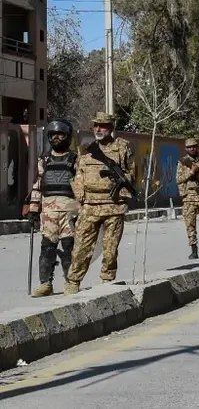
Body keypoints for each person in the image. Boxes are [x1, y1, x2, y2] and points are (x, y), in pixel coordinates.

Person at [65, 112, 136, 294]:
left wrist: (122, 179)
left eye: (102, 126)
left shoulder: (123, 147)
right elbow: (79, 174)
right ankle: (73, 282)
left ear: (111, 128)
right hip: (90, 206)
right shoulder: (86, 149)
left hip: (114, 205)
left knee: (110, 249)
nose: (98, 129)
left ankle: (107, 280)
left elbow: (132, 174)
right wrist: (80, 198)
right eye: (95, 125)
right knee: (81, 247)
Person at [26, 120, 80, 297]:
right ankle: (45, 284)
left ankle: (71, 282)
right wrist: (33, 209)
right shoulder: (44, 160)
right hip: (48, 211)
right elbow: (38, 185)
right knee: (47, 247)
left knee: (68, 248)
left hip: (70, 211)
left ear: (68, 137)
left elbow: (82, 186)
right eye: (53, 135)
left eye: (60, 134)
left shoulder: (76, 159)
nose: (56, 138)